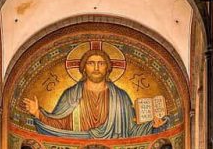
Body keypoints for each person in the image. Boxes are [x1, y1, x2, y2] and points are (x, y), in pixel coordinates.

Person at [20, 47, 168, 139]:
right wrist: (37, 113)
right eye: (91, 63)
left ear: (108, 68)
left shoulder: (121, 97)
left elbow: (131, 131)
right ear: (84, 68)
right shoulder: (71, 95)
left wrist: (153, 126)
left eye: (101, 63)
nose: (96, 68)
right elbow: (58, 125)